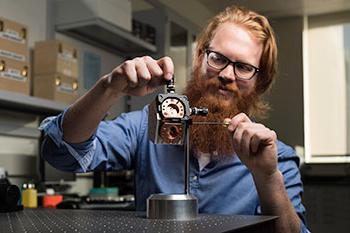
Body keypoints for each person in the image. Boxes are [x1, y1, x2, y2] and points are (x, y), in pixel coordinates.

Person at [40, 5, 309, 233]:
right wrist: (109, 88)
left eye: (243, 67)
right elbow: (62, 153)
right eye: (218, 58)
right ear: (199, 57)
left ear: (260, 81)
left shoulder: (275, 159)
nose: (227, 74)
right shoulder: (145, 127)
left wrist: (268, 177)